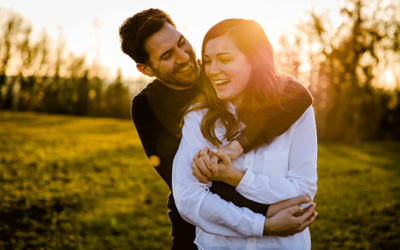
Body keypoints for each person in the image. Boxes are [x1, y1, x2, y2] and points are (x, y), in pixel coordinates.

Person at [119, 9, 316, 250]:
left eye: (182, 43)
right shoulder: (150, 107)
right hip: (196, 232)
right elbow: (186, 184)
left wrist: (236, 147)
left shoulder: (219, 74)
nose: (184, 57)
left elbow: (298, 96)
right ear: (146, 69)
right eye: (168, 55)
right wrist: (265, 216)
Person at [172, 18, 317, 249]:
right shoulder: (198, 118)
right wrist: (262, 224)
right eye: (208, 61)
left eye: (225, 59)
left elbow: (302, 193)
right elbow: (190, 200)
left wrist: (235, 178)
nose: (212, 70)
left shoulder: (297, 112)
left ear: (255, 61)